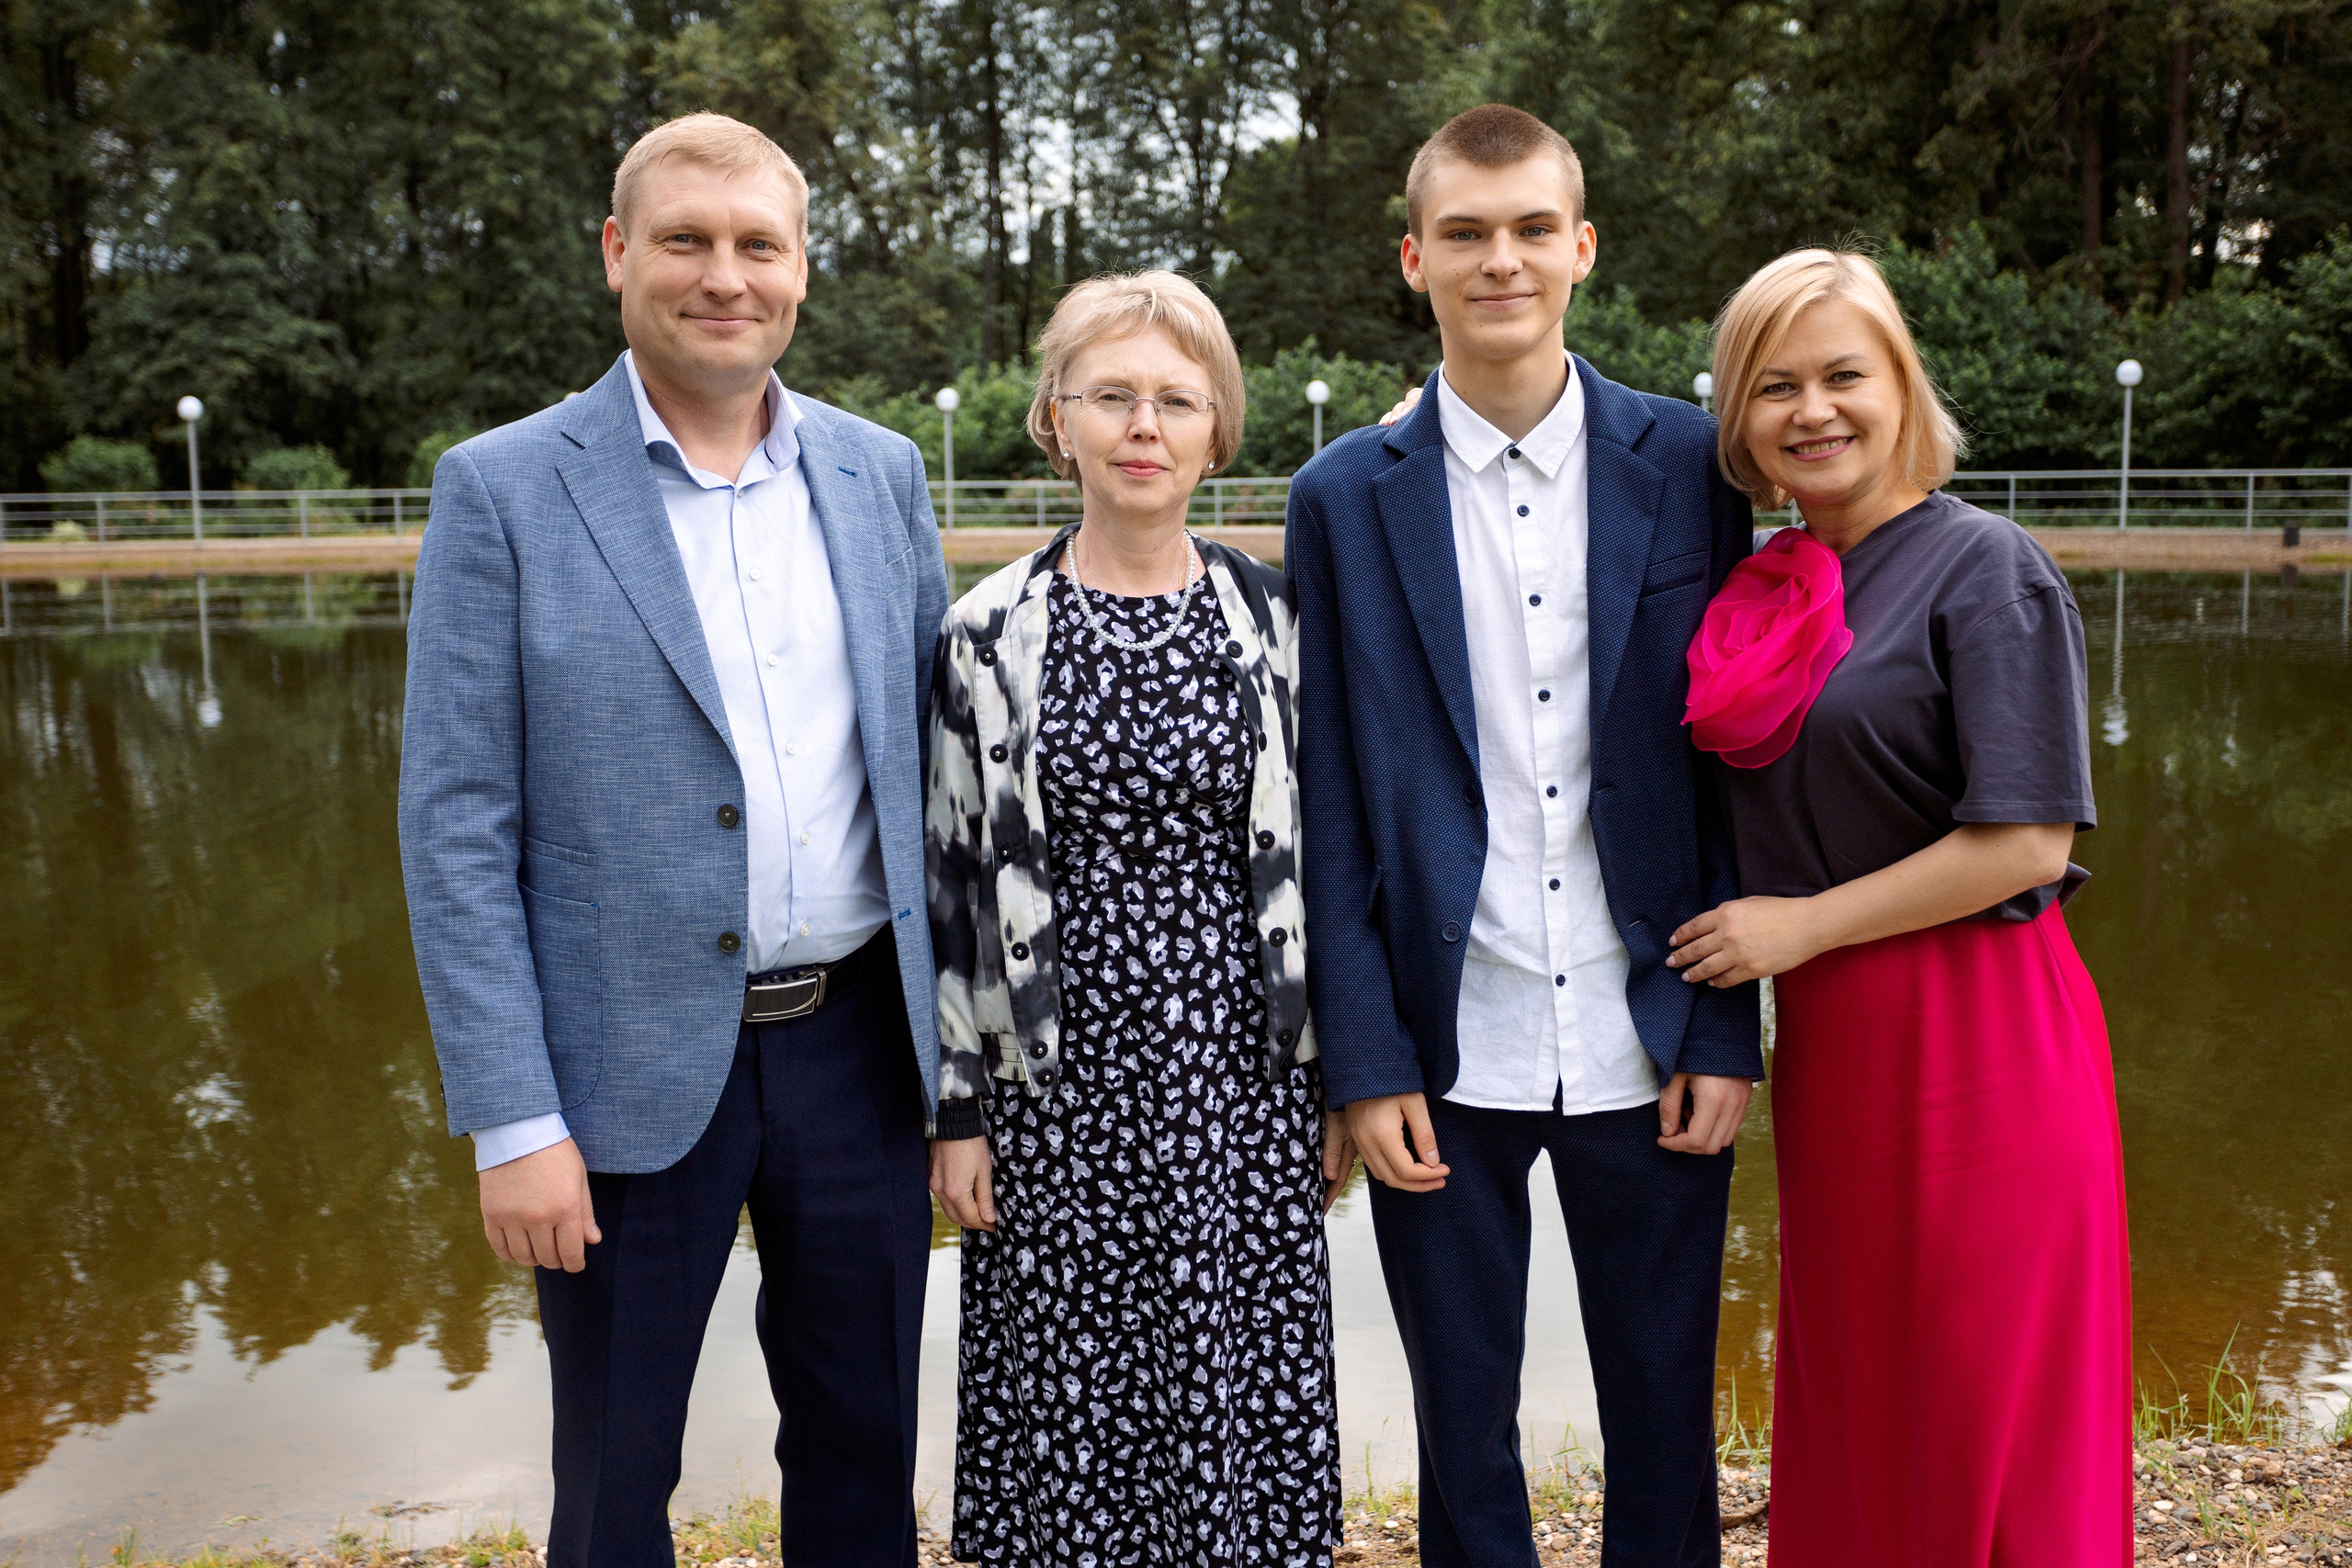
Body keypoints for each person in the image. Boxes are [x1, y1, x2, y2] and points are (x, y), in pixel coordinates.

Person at [397, 114, 949, 1568]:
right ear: (617, 254)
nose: (726, 276)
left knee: (862, 1455)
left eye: (758, 245)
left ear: (801, 268)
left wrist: (966, 1079)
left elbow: (940, 778)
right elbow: (457, 826)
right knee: (614, 1474)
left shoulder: (882, 474)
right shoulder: (502, 489)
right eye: (687, 241)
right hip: (620, 1070)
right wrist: (514, 1120)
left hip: (861, 1057)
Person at [1288, 105, 1761, 1566]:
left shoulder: (1689, 462)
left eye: (1532, 230)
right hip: (1449, 1040)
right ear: (1414, 257)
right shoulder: (1341, 499)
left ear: (1582, 249)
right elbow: (1330, 797)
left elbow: (1734, 757)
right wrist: (1360, 1062)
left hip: (1652, 1022)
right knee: (1463, 1423)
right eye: (1469, 235)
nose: (1503, 261)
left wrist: (1724, 1030)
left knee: (1667, 1414)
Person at [1668, 247, 2130, 1565]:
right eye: (1775, 386)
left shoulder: (1989, 569)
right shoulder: (1763, 585)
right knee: (1864, 1382)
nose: (1812, 410)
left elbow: (2028, 842)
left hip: (1984, 1033)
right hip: (1839, 1048)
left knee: (1982, 1391)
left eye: (1843, 376)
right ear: (1740, 422)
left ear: (1902, 386)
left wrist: (1793, 928)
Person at [924, 270, 1345, 1566]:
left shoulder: (1278, 623)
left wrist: (1342, 1079)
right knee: (1072, 1412)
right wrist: (958, 1112)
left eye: (1176, 399)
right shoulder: (984, 635)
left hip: (1241, 1087)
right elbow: (949, 892)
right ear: (1059, 421)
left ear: (1219, 429)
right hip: (1057, 1095)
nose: (1143, 425)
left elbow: (1329, 862)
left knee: (1238, 1398)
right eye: (1112, 396)